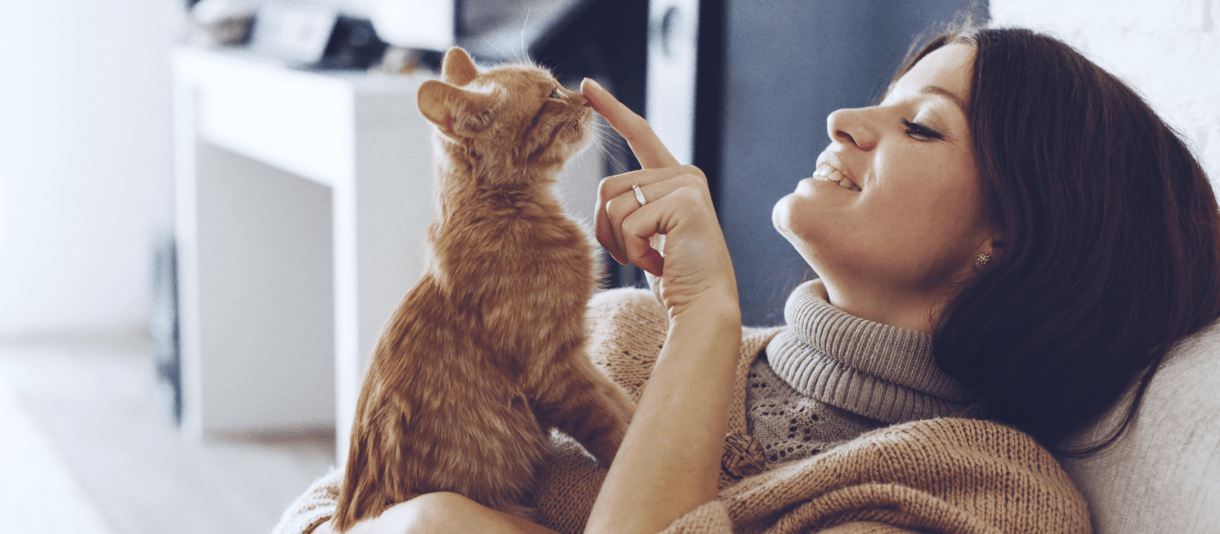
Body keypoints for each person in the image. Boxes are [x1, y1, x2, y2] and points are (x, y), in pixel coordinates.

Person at [277, 18, 1220, 534]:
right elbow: (328, 509)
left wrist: (707, 319)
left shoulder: (985, 490)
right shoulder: (620, 333)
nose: (846, 117)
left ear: (1008, 239)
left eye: (920, 125)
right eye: (878, 102)